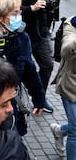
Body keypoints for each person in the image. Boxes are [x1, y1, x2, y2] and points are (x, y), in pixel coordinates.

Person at [0, 0, 46, 136]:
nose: (19, 16)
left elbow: (30, 71)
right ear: (0, 17)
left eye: (19, 12)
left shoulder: (21, 38)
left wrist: (39, 99)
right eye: (15, 13)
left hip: (10, 105)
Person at [10, 0, 54, 113]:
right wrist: (32, 7)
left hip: (41, 33)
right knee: (24, 69)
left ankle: (40, 97)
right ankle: (20, 99)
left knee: (48, 65)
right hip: (25, 34)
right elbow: (13, 8)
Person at [52, 15, 76, 158]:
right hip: (72, 87)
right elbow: (66, 51)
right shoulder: (71, 25)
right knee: (75, 132)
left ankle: (60, 130)